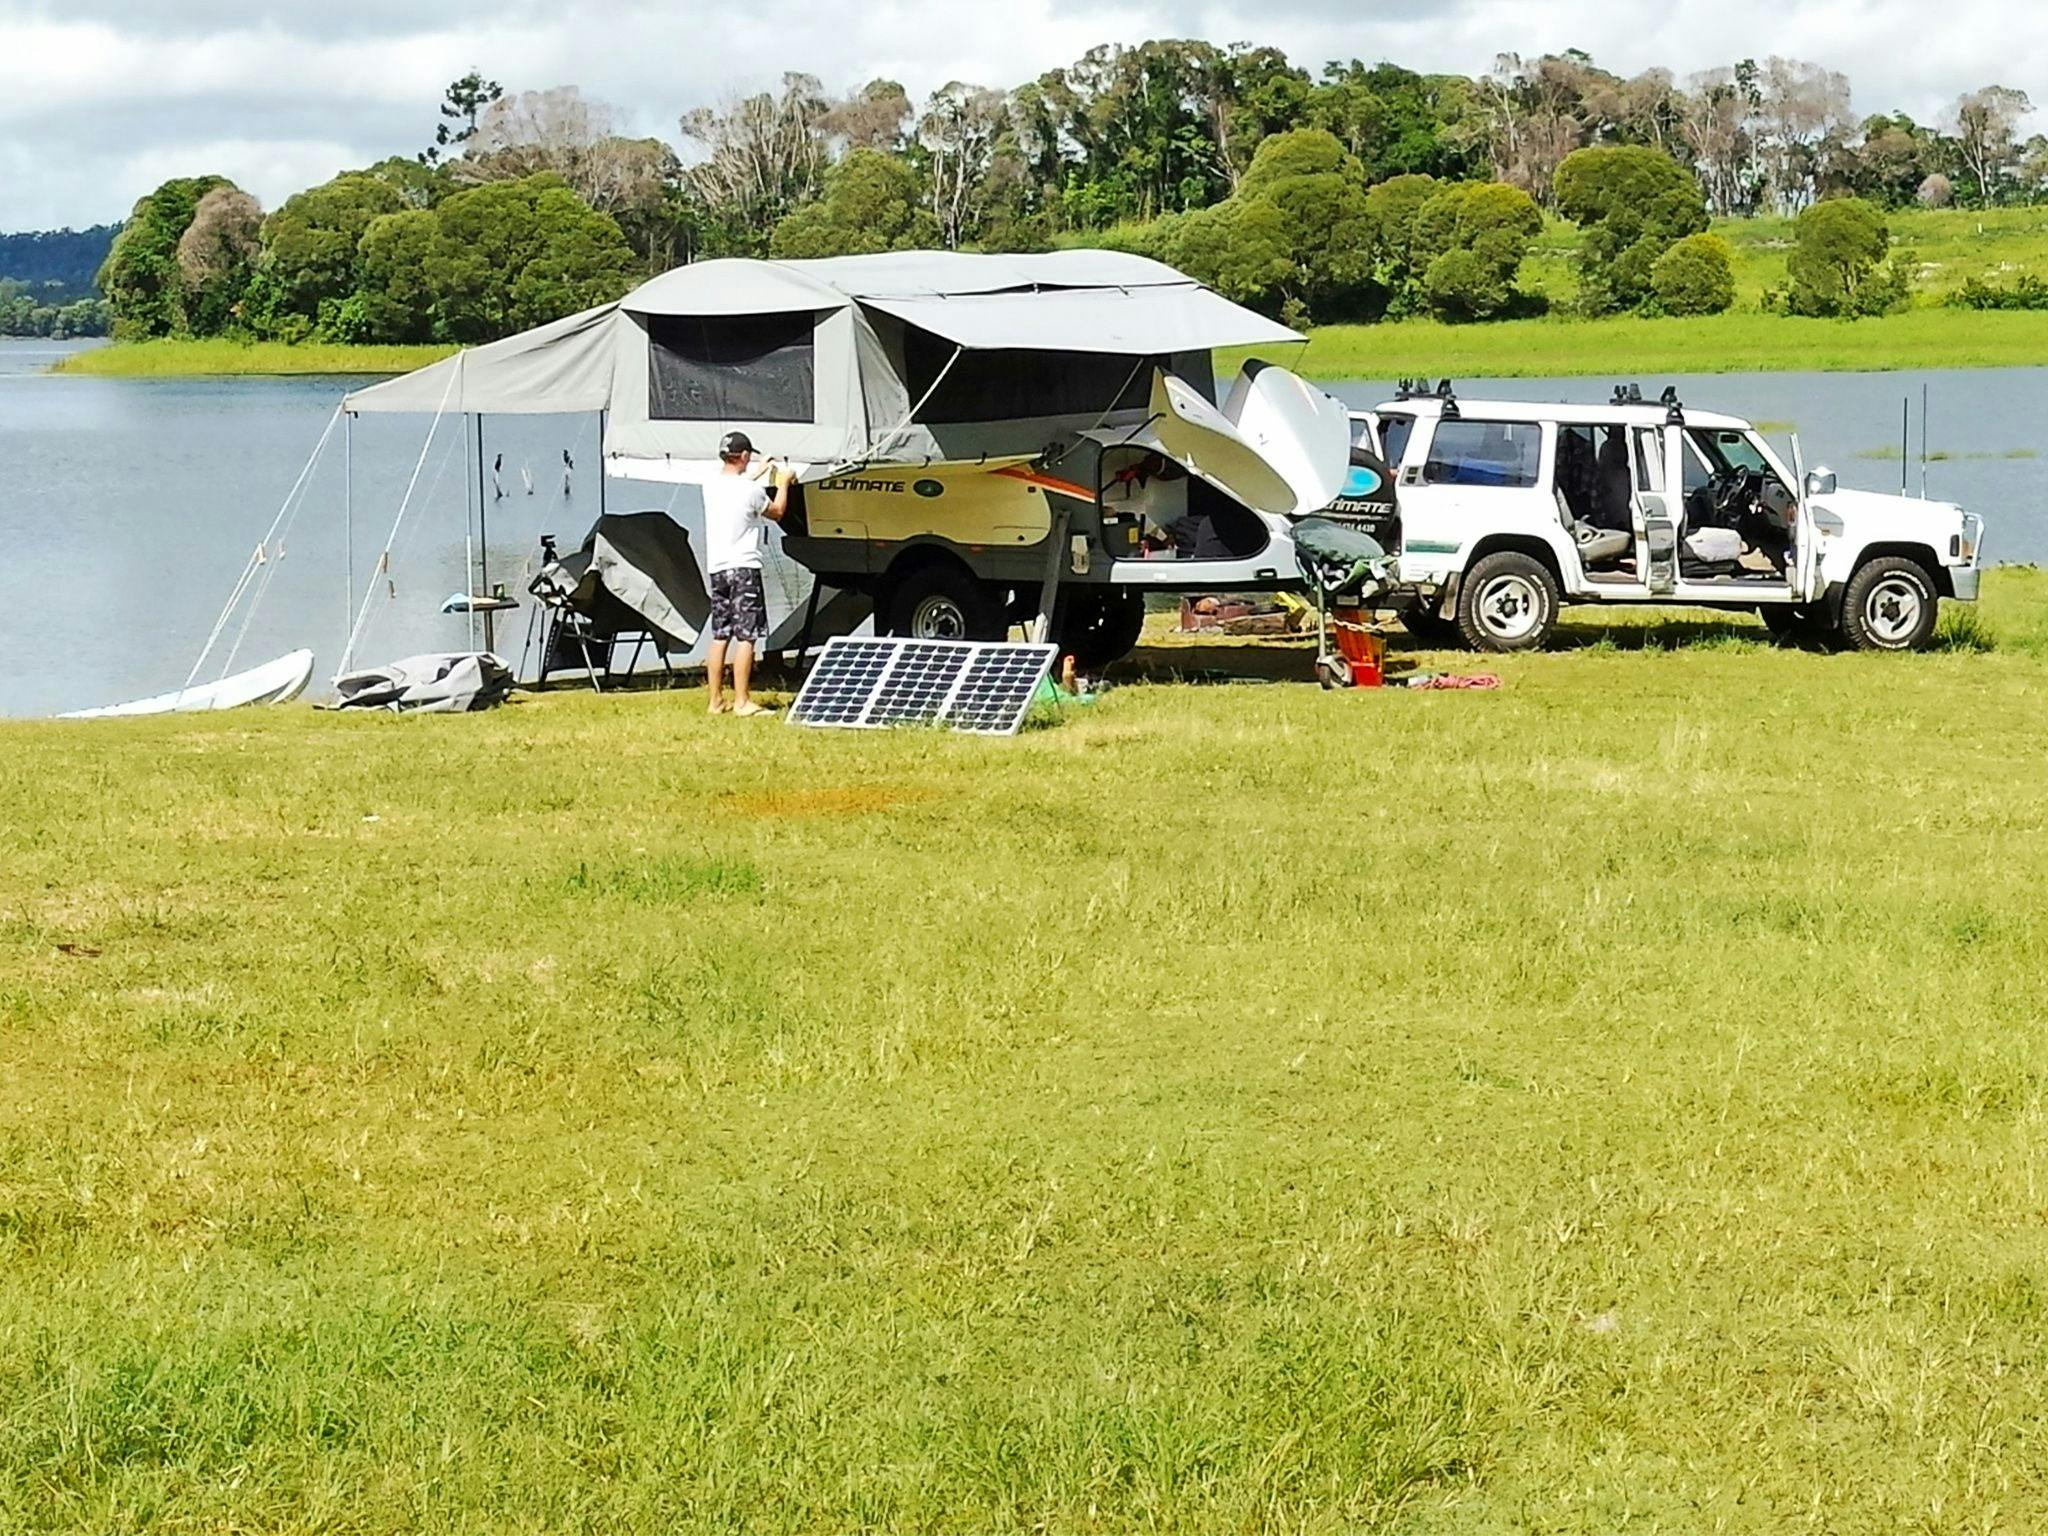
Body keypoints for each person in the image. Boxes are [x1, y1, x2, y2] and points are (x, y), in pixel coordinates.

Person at [702, 430, 791, 716]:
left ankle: (715, 700)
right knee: (747, 636)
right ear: (743, 456)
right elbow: (776, 511)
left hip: (717, 568)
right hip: (743, 568)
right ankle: (742, 701)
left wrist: (759, 471)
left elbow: (737, 490)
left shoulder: (710, 484)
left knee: (720, 635)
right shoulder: (751, 491)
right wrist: (783, 483)